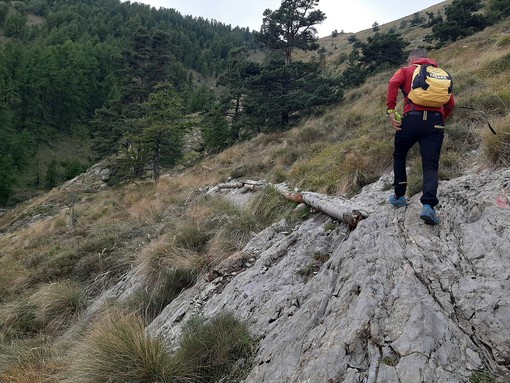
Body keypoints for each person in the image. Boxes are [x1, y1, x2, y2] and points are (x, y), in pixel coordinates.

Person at [386, 48, 455, 225]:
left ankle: (399, 196)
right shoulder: (439, 74)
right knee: (430, 165)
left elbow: (393, 83)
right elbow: (450, 104)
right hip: (435, 123)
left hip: (411, 120)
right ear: (427, 58)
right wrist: (438, 119)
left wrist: (391, 110)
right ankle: (428, 207)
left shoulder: (406, 70)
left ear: (411, 59)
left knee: (400, 155)